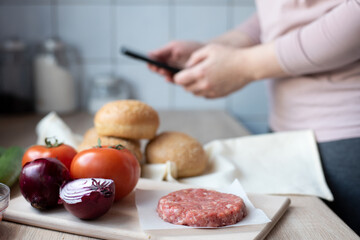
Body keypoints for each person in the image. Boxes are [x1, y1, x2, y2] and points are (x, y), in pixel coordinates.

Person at [147, 0, 360, 235]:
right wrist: (216, 49)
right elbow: (282, 12)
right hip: (283, 134)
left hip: (346, 140)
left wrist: (242, 65)